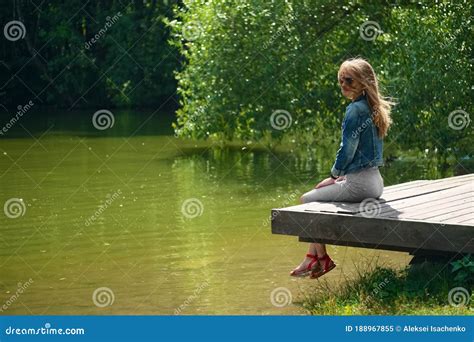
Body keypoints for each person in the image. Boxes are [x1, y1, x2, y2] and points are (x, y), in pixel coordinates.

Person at [290, 57, 394, 278]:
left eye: (349, 80)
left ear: (364, 81)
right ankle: (313, 258)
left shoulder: (355, 110)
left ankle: (322, 258)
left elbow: (348, 149)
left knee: (307, 200)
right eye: (340, 81)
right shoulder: (373, 107)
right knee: (314, 201)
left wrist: (333, 175)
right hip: (375, 183)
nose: (343, 86)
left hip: (360, 184)